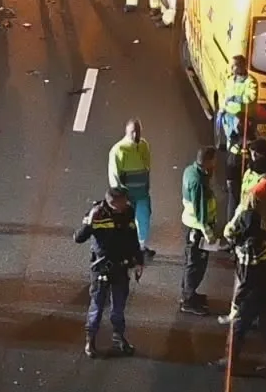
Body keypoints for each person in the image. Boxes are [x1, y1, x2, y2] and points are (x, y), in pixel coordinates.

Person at [219, 175, 266, 377]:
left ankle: (231, 362)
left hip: (251, 295)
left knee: (239, 326)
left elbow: (246, 280)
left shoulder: (247, 249)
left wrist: (236, 304)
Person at [74, 186, 144, 359]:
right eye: (123, 201)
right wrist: (89, 224)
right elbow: (79, 238)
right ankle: (90, 340)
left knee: (118, 307)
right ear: (113, 202)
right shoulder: (97, 214)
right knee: (97, 306)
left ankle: (118, 337)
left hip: (121, 266)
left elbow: (133, 237)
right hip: (101, 267)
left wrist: (139, 261)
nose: (126, 204)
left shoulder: (128, 212)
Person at [180, 146, 222, 315]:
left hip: (192, 225)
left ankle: (189, 294)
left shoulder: (190, 171)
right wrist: (208, 233)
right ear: (208, 162)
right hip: (197, 229)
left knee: (192, 263)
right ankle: (188, 300)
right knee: (195, 264)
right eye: (214, 161)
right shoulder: (199, 182)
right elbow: (200, 212)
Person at [216, 54, 259, 212]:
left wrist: (237, 99)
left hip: (243, 120)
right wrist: (222, 108)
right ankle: (232, 180)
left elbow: (250, 97)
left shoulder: (250, 81)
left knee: (244, 149)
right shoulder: (230, 80)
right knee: (231, 148)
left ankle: (244, 180)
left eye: (234, 66)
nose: (232, 68)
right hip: (230, 118)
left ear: (242, 66)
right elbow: (225, 96)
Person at [106, 118, 155, 256]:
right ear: (126, 131)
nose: (135, 135)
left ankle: (141, 246)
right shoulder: (118, 149)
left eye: (138, 131)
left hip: (142, 192)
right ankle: (126, 248)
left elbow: (147, 167)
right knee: (127, 221)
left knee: (144, 218)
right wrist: (119, 195)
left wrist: (147, 185)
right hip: (126, 194)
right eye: (133, 132)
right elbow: (114, 175)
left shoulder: (144, 145)